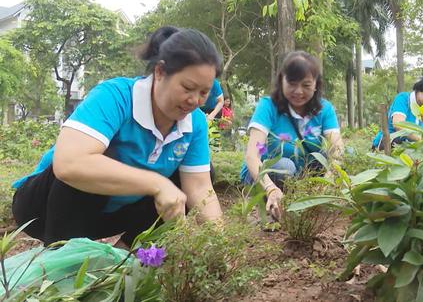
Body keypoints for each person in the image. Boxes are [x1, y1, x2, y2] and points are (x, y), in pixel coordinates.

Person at [11, 26, 223, 247]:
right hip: (43, 208)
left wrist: (221, 244)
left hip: (109, 215)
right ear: (160, 72)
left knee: (194, 176)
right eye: (188, 87)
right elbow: (69, 164)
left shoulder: (195, 121)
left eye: (203, 93)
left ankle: (127, 255)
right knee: (98, 160)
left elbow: (200, 188)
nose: (194, 100)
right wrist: (157, 183)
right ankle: (62, 260)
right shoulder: (115, 97)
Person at [241, 51, 343, 219]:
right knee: (284, 167)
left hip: (302, 172)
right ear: (282, 80)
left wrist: (326, 185)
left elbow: (337, 150)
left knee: (343, 156)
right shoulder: (268, 106)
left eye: (306, 85)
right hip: (266, 174)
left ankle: (303, 202)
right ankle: (273, 205)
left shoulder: (324, 110)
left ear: (316, 84)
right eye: (292, 83)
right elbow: (252, 156)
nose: (298, 91)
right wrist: (270, 188)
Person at [371, 72, 423, 150]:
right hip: (387, 146)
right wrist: (421, 141)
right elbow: (399, 125)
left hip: (410, 150)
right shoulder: (403, 98)